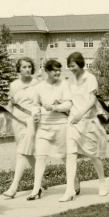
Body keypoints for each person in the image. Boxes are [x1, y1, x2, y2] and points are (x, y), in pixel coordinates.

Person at [60, 52, 108, 201]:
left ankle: (102, 183)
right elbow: (69, 102)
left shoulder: (90, 78)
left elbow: (93, 100)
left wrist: (81, 113)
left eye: (73, 66)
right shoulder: (69, 81)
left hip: (88, 121)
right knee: (71, 154)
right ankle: (69, 190)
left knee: (93, 155)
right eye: (69, 67)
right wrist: (55, 106)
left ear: (80, 64)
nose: (71, 69)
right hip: (73, 122)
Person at [29, 59, 72, 201]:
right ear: (47, 71)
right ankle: (36, 189)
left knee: (65, 156)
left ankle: (74, 183)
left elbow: (68, 104)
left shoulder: (65, 84)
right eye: (54, 70)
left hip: (61, 124)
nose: (58, 72)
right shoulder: (39, 87)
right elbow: (35, 104)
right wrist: (35, 114)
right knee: (40, 156)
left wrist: (55, 107)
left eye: (59, 70)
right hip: (44, 125)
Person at [3, 58, 40, 198]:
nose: (27, 69)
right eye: (24, 67)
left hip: (31, 120)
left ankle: (13, 188)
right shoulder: (14, 85)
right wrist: (5, 124)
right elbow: (10, 104)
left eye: (29, 66)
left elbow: (40, 103)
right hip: (16, 121)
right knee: (28, 154)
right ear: (19, 69)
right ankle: (41, 182)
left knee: (22, 153)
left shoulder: (37, 84)